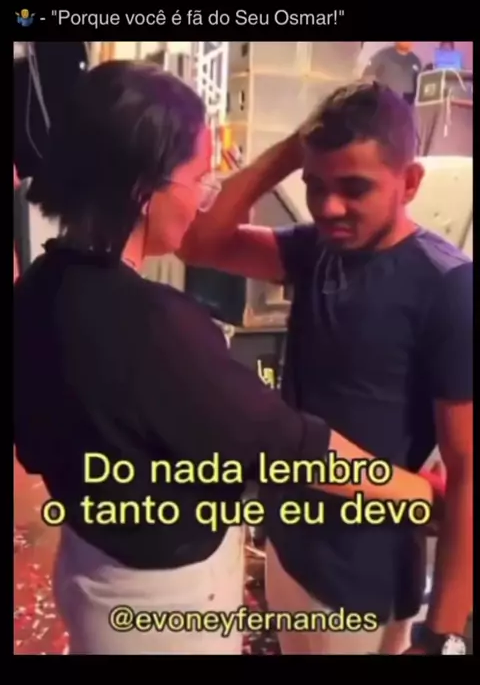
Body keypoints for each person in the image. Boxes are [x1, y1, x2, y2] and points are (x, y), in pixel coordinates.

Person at [14, 63, 437, 656]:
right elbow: (289, 447)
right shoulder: (151, 325)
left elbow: (32, 446)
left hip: (90, 566)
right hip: (160, 605)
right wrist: (421, 494)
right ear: (144, 190)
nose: (202, 199)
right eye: (199, 179)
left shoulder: (39, 285)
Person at [180, 81, 472, 655]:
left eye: (354, 188)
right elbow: (197, 243)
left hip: (362, 580)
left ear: (410, 183)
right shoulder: (318, 248)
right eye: (315, 186)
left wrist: (439, 635)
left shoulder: (447, 286)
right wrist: (291, 151)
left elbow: (466, 472)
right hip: (291, 546)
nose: (329, 207)